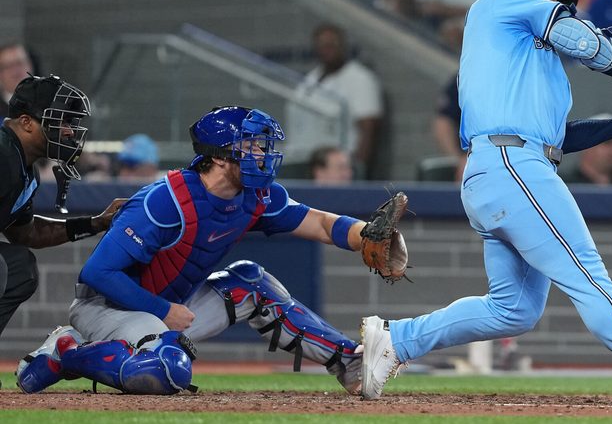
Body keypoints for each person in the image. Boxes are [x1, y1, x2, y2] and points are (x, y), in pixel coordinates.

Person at [358, 0, 612, 406]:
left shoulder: (516, 57)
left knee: (512, 310)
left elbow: (556, 139)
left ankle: (398, 340)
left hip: (501, 167)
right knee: (587, 273)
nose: (556, 3)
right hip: (513, 166)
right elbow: (587, 43)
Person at [15, 106, 406, 395]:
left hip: (172, 310)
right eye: (252, 146)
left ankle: (350, 364)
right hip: (107, 310)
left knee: (251, 282)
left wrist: (363, 235)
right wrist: (163, 311)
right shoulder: (163, 202)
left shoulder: (255, 196)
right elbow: (97, 275)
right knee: (167, 370)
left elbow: (318, 222)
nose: (263, 155)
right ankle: (67, 351)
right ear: (220, 155)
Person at [0, 75, 124, 340]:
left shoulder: (24, 170)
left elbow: (27, 234)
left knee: (18, 269)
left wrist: (94, 223)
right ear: (26, 123)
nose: (68, 131)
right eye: (60, 121)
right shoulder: (2, 154)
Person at [288, 23, 383, 175]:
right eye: (322, 45)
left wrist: (358, 170)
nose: (327, 49)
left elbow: (368, 129)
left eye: (332, 44)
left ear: (343, 46)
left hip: (337, 169)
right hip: (304, 163)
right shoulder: (310, 79)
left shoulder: (360, 78)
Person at [0, 42, 34, 118]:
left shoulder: (49, 103)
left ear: (30, 65)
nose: (16, 71)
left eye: (20, 63)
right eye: (9, 66)